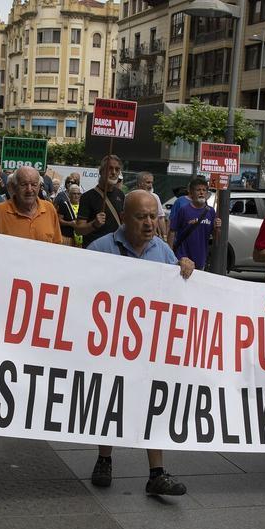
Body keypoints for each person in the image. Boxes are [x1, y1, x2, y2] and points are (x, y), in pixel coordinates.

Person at [87, 191, 196, 497]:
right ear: (124, 218)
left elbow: (177, 290)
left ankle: (156, 473)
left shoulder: (162, 251)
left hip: (150, 345)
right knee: (108, 399)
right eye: (141, 217)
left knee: (154, 404)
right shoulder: (100, 249)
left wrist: (184, 266)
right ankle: (104, 459)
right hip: (110, 343)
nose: (150, 223)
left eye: (153, 216)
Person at [0, 166, 64, 243]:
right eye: (23, 184)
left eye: (34, 185)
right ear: (14, 187)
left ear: (39, 187)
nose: (29, 190)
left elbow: (57, 244)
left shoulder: (49, 209)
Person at [169, 176, 221, 270]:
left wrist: (217, 228)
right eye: (198, 190)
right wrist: (169, 253)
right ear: (191, 193)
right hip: (182, 258)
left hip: (200, 260)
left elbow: (216, 240)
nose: (201, 192)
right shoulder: (184, 210)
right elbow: (172, 231)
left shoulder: (211, 212)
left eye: (204, 190)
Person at [75, 155, 125, 248]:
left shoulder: (121, 195)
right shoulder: (87, 197)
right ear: (101, 171)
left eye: (117, 169)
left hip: (116, 250)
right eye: (110, 168)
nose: (114, 172)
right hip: (94, 249)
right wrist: (94, 224)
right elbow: (78, 230)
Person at [135, 171, 169, 242]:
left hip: (152, 236)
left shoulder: (155, 197)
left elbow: (160, 217)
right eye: (148, 182)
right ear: (140, 183)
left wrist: (164, 236)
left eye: (151, 182)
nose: (150, 185)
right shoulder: (131, 197)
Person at [53, 174, 81, 245]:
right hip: (67, 237)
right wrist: (70, 223)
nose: (76, 196)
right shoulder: (64, 204)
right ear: (69, 194)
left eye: (78, 194)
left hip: (80, 239)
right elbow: (58, 220)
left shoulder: (83, 205)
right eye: (74, 194)